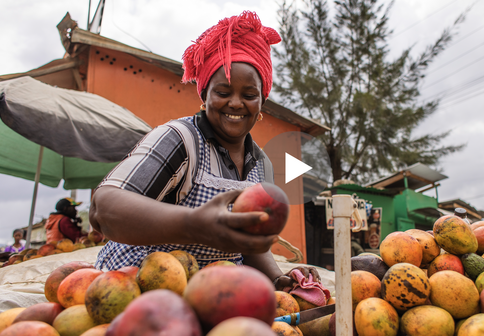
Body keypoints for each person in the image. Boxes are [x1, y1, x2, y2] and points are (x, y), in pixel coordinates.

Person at [89, 11, 320, 291]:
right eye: (223, 92)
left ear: (262, 100)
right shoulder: (179, 139)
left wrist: (275, 278)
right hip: (137, 287)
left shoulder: (261, 165)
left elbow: (248, 242)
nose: (236, 103)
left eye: (249, 95)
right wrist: (192, 223)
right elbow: (103, 208)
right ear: (205, 95)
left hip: (211, 296)